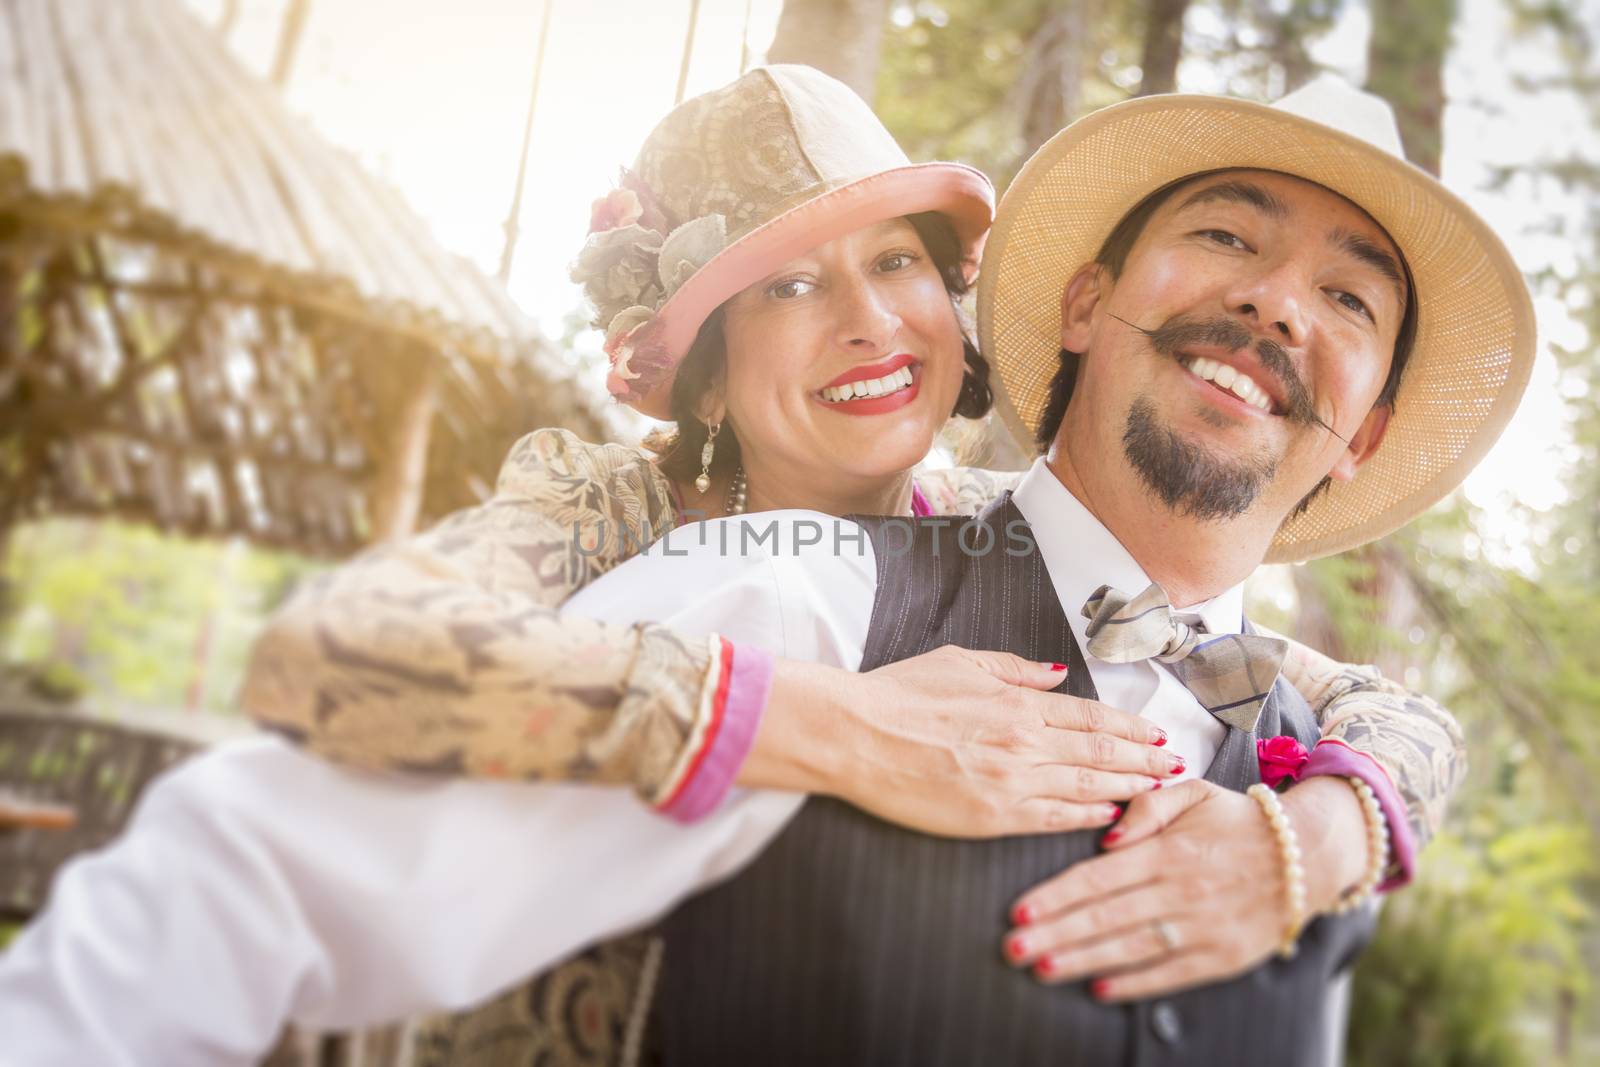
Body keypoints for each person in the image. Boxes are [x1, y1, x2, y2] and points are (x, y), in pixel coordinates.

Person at [0, 71, 1495, 1065]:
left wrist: (1334, 833)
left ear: (1358, 439)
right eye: (1227, 232)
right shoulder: (775, 588)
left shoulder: (1295, 753)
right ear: (1088, 304)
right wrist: (793, 716)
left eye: (1348, 301)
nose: (1274, 306)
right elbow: (254, 849)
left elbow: (1365, 700)